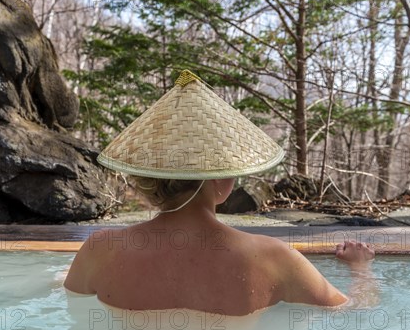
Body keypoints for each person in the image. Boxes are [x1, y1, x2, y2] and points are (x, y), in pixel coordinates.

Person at [64, 70, 377, 315]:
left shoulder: (99, 252)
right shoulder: (276, 259)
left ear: (147, 176)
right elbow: (356, 313)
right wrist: (361, 268)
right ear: (222, 179)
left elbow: (68, 305)